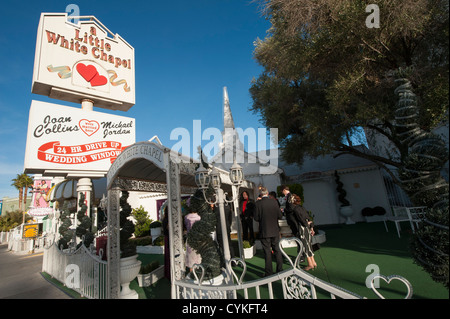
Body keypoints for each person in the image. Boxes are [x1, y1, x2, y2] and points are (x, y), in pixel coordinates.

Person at [254, 187, 284, 276]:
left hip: (264, 230)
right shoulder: (274, 202)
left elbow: (256, 218)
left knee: (267, 252)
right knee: (277, 250)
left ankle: (269, 272)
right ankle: (280, 270)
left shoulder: (258, 204)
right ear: (267, 193)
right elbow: (280, 216)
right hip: (274, 230)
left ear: (261, 194)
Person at [292, 194, 317, 271]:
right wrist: (311, 227)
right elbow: (308, 218)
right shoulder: (302, 208)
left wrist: (306, 224)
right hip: (308, 228)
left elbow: (301, 220)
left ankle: (310, 264)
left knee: (305, 246)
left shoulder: (295, 209)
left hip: (302, 229)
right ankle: (313, 262)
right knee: (309, 245)